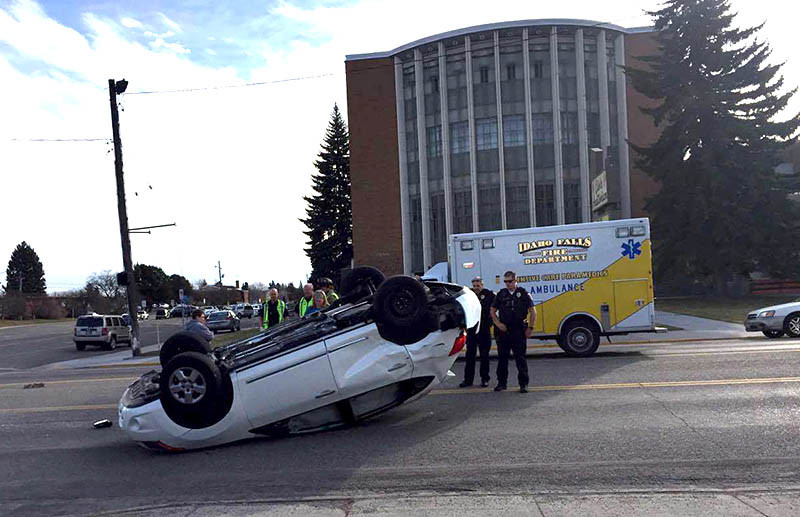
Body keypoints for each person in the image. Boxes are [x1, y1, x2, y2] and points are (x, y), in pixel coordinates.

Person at [490, 270, 535, 393]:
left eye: (510, 281)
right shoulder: (501, 294)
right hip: (504, 330)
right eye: (505, 281)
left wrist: (530, 328)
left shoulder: (523, 293)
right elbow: (492, 310)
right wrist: (498, 324)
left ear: (516, 280)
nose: (507, 284)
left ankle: (523, 384)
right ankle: (501, 383)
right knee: (502, 358)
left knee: (520, 358)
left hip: (518, 330)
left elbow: (532, 311)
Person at [460, 276, 495, 388]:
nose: (476, 288)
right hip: (472, 330)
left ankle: (485, 379)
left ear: (482, 285)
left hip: (484, 330)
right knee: (470, 356)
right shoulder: (468, 295)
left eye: (478, 285)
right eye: (474, 286)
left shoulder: (489, 295)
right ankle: (468, 380)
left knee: (484, 356)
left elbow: (495, 308)